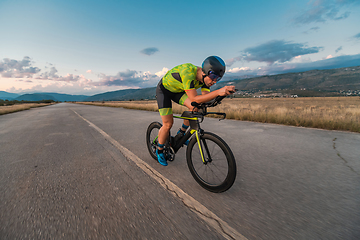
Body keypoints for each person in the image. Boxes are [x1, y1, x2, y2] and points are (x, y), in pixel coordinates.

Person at [155, 56, 235, 166]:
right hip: (164, 91)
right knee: (168, 124)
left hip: (178, 91)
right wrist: (218, 92)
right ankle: (159, 150)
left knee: (194, 108)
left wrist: (221, 95)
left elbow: (204, 97)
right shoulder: (188, 71)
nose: (214, 81)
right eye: (213, 76)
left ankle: (181, 134)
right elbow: (194, 99)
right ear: (205, 72)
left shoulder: (205, 81)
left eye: (218, 78)